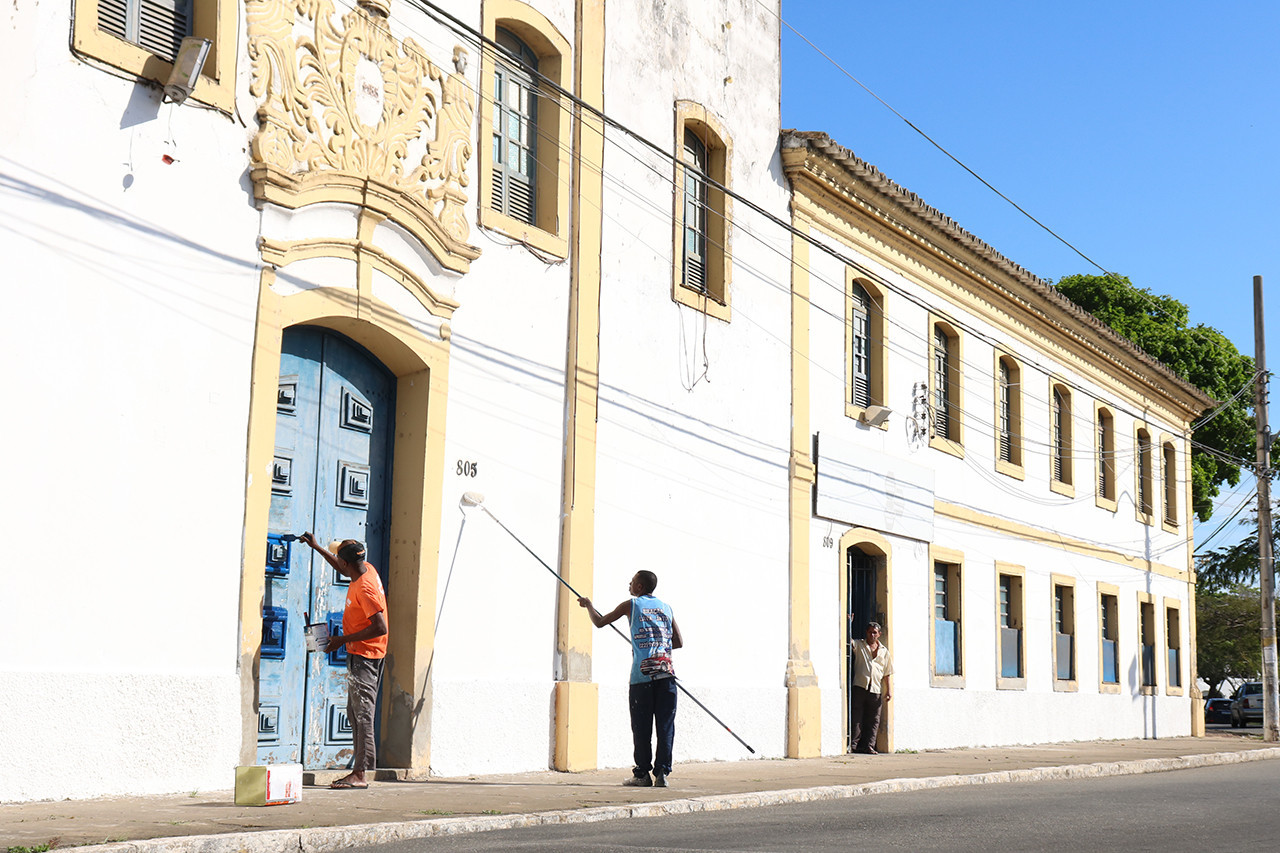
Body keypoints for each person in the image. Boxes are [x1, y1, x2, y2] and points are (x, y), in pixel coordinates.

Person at [578, 571, 683, 788]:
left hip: (641, 678)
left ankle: (642, 774)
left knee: (642, 727)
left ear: (640, 587)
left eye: (632, 582)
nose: (629, 584)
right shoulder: (666, 607)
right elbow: (679, 641)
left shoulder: (631, 605)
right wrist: (656, 644)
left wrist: (588, 605)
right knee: (665, 726)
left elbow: (599, 622)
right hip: (666, 676)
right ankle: (662, 773)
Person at [299, 534, 389, 789]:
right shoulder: (365, 568)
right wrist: (317, 548)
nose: (339, 563)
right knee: (354, 713)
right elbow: (341, 565)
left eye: (339, 557)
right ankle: (358, 770)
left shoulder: (366, 587)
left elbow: (380, 627)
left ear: (348, 564)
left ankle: (360, 774)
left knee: (362, 715)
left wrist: (342, 639)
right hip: (358, 652)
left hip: (366, 655)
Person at [848, 617, 892, 755]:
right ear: (866, 633)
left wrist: (889, 690)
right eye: (870, 632)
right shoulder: (860, 645)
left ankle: (869, 746)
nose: (872, 635)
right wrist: (849, 623)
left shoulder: (884, 651)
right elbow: (848, 641)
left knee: (873, 719)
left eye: (875, 633)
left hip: (876, 689)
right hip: (860, 686)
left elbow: (887, 672)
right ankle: (854, 745)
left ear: (879, 634)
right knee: (857, 717)